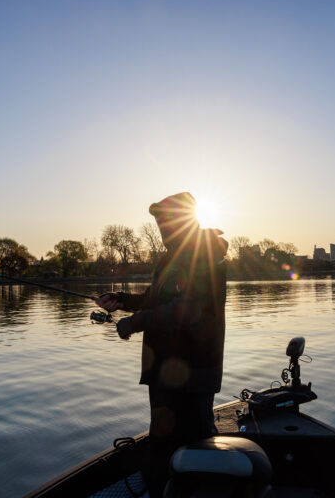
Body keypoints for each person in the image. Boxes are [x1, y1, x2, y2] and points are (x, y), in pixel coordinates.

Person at [95, 192, 228, 495]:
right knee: (163, 445)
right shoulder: (171, 258)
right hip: (165, 373)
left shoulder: (206, 254)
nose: (161, 227)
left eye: (166, 220)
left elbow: (187, 309)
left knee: (196, 447)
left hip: (194, 373)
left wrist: (135, 323)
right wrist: (121, 300)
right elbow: (153, 300)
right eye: (158, 222)